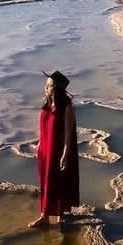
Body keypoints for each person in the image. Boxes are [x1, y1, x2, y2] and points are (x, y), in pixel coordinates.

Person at [29, 70, 79, 227]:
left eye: (49, 86)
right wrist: (39, 144)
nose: (46, 88)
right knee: (45, 182)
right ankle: (44, 215)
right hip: (45, 149)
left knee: (59, 181)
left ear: (56, 89)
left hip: (58, 151)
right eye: (46, 85)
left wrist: (64, 155)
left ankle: (60, 214)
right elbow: (44, 127)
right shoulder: (47, 103)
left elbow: (68, 133)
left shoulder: (67, 107)